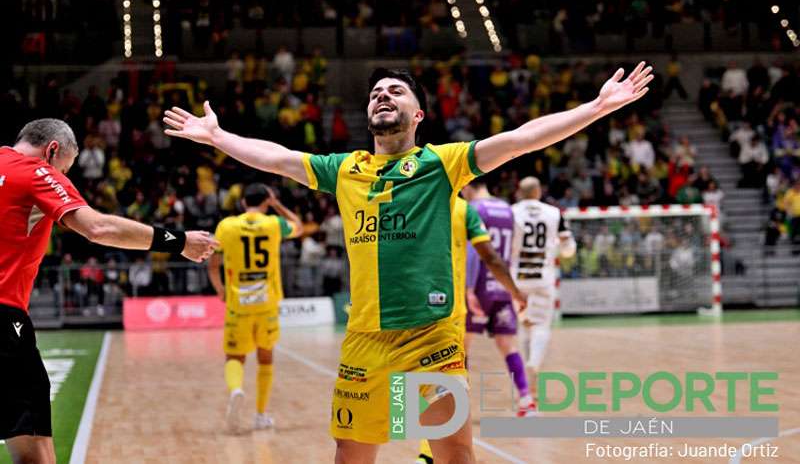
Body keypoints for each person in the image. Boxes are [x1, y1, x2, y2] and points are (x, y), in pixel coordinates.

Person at [164, 62, 652, 463]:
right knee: (350, 453)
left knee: (453, 454)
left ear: (418, 114)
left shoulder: (444, 163)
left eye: (395, 91)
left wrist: (597, 106)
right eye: (376, 91)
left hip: (431, 336)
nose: (382, 95)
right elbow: (278, 157)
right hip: (364, 340)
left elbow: (523, 138)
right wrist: (220, 138)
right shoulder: (345, 169)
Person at [0, 119, 217, 464]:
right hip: (4, 317)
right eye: (67, 169)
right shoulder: (37, 171)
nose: (65, 176)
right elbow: (97, 227)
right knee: (33, 451)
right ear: (52, 150)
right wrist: (178, 242)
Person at [416, 195, 526, 464]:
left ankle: (424, 452)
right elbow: (490, 256)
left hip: (418, 306)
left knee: (420, 382)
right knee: (449, 382)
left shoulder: (422, 203)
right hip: (457, 306)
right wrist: (515, 292)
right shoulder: (471, 210)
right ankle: (527, 399)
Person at [207, 183, 303, 433]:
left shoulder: (227, 226)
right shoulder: (273, 224)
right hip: (267, 303)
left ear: (242, 203)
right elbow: (298, 226)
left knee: (234, 357)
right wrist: (277, 205)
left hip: (239, 303)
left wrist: (220, 290)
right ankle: (260, 415)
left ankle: (236, 389)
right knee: (266, 357)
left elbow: (212, 265)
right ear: (266, 201)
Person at [460, 181, 535, 417]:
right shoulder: (506, 209)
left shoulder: (474, 209)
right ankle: (526, 400)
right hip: (501, 285)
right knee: (508, 345)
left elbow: (474, 252)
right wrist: (513, 289)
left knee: (461, 347)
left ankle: (459, 407)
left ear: (467, 185)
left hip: (479, 284)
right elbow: (512, 250)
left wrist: (469, 288)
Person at [510, 176, 577, 410]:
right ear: (538, 191)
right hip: (543, 278)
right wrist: (560, 248)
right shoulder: (554, 213)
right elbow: (568, 249)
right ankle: (534, 364)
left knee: (523, 327)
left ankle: (526, 387)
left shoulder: (511, 212)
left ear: (519, 191)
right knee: (541, 327)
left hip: (516, 279)